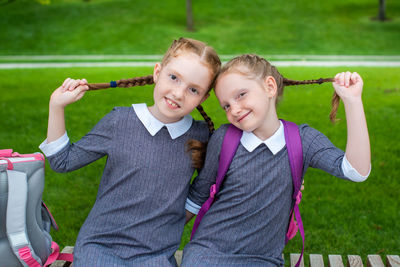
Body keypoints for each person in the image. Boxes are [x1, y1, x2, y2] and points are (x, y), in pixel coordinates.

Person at [39, 37, 221, 267]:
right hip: (100, 246)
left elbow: (202, 189)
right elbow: (62, 162)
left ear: (204, 98)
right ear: (157, 72)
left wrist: (172, 219)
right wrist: (57, 106)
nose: (178, 93)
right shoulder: (120, 121)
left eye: (193, 89)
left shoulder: (202, 136)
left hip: (155, 254)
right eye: (173, 78)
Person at [182, 54, 371, 266]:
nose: (234, 109)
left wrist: (353, 101)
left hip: (263, 259)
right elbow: (199, 195)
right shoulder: (225, 138)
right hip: (208, 253)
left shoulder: (303, 140)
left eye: (241, 95)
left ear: (270, 87)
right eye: (226, 106)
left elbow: (356, 171)